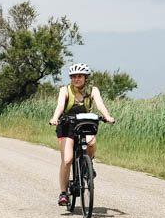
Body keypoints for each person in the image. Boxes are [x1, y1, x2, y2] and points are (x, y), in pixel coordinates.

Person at [49, 63, 116, 206]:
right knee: (67, 160)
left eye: (79, 76)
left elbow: (100, 104)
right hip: (66, 125)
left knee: (91, 143)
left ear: (86, 78)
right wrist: (55, 118)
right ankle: (63, 193)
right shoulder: (65, 90)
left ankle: (87, 165)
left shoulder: (93, 90)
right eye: (73, 77)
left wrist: (107, 116)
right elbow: (60, 105)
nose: (76, 79)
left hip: (83, 123)